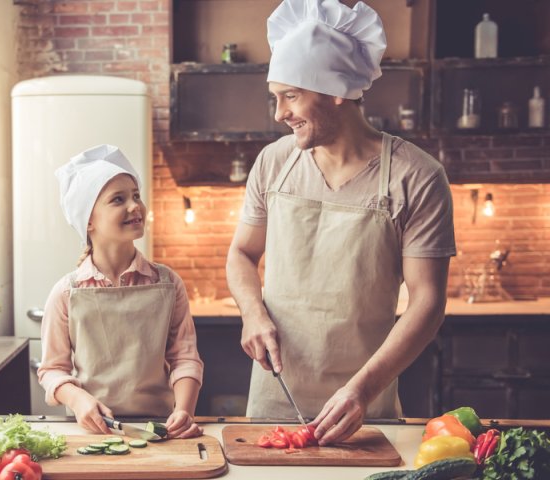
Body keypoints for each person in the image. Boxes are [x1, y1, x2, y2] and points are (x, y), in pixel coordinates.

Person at [226, 0, 456, 445]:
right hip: (275, 400)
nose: (279, 113)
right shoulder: (273, 163)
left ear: (335, 90)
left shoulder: (417, 176)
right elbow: (242, 253)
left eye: (291, 96)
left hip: (365, 407)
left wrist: (362, 390)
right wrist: (252, 313)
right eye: (275, 97)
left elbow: (427, 303)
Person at [38, 144, 205, 439]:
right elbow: (52, 370)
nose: (135, 206)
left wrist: (185, 410)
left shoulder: (168, 283)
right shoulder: (66, 292)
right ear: (88, 221)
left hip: (161, 428)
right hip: (93, 432)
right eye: (118, 199)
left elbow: (185, 358)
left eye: (135, 195)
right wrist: (78, 400)